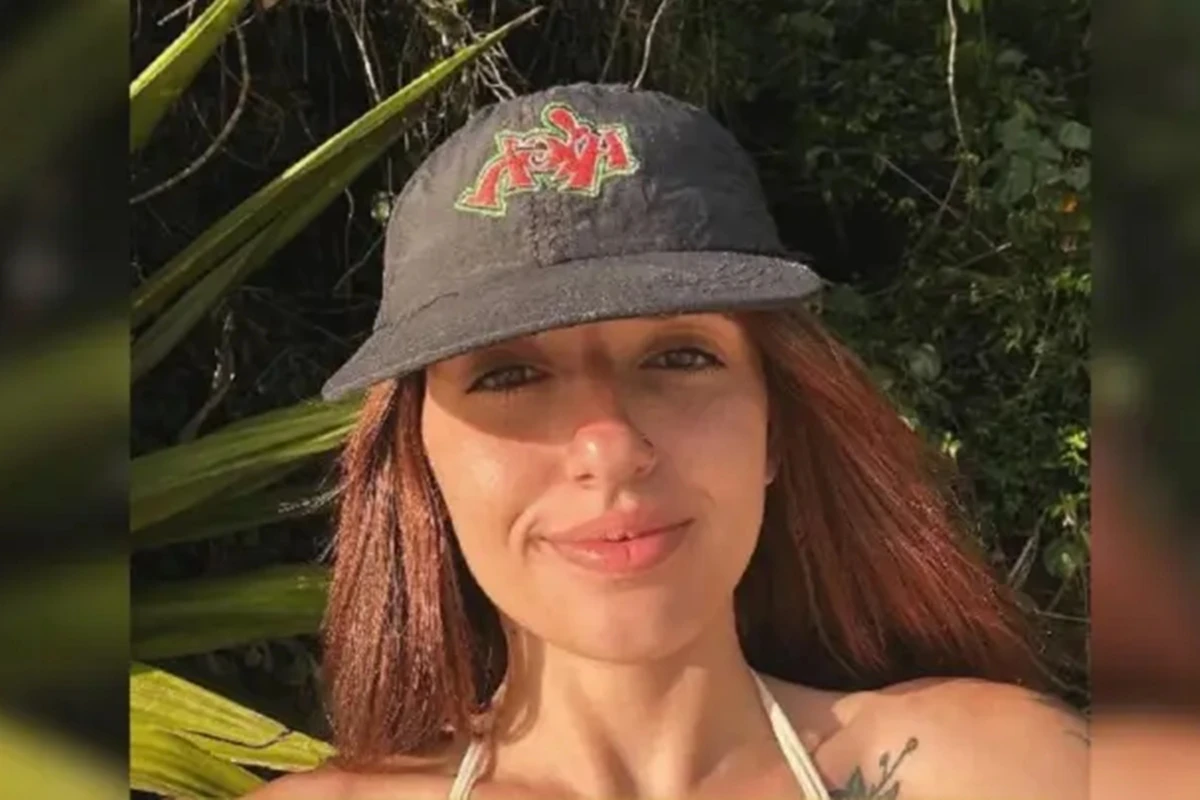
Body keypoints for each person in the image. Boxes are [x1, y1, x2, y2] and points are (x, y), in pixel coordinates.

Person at [246, 83, 1087, 800]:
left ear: (775, 429)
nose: (609, 448)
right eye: (509, 376)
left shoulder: (1004, 771)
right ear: (421, 464)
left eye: (681, 358)